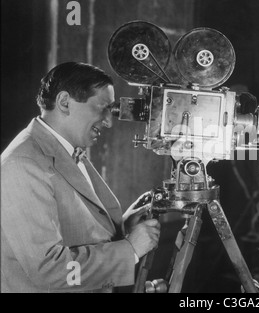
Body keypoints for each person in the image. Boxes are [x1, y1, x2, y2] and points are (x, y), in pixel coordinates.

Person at [1, 62, 161, 292]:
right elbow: (51, 271)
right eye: (102, 108)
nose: (108, 121)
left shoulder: (65, 150)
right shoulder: (23, 165)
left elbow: (73, 231)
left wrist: (123, 229)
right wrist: (130, 249)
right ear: (65, 102)